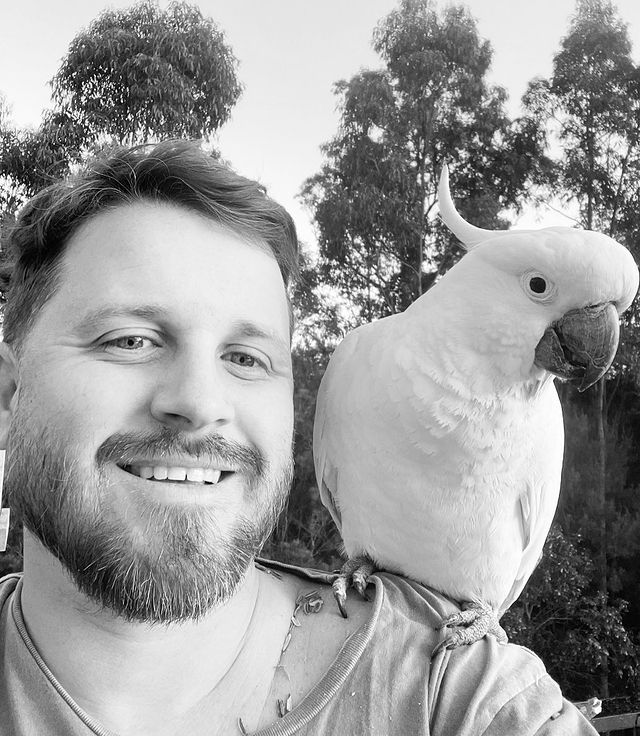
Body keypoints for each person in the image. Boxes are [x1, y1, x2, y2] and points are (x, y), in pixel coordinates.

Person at [0, 141, 597, 735]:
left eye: (245, 357)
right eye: (130, 340)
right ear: (8, 394)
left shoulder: (468, 701)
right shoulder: (366, 361)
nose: (199, 404)